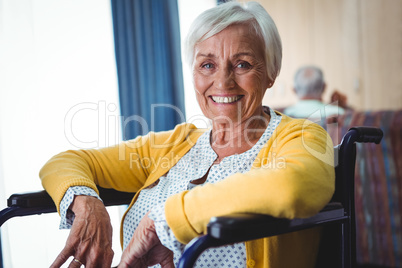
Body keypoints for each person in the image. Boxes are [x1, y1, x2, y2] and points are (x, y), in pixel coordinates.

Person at [40, 2, 335, 268]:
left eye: (242, 64)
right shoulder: (175, 144)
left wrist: (167, 219)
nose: (223, 81)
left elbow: (291, 188)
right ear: (193, 73)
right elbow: (64, 162)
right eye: (207, 65)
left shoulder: (300, 136)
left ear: (271, 71)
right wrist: (88, 204)